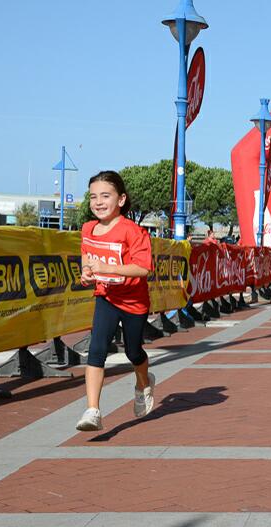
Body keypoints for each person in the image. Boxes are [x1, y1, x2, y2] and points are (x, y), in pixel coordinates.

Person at [76, 171, 155, 431]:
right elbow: (87, 262)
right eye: (93, 197)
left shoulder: (133, 231)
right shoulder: (88, 229)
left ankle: (144, 383)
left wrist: (109, 269)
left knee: (133, 352)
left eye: (105, 196)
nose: (98, 202)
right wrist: (87, 274)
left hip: (134, 302)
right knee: (96, 350)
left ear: (121, 199)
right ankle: (92, 411)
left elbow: (144, 268)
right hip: (106, 297)